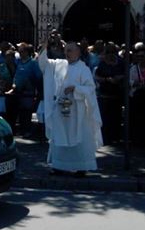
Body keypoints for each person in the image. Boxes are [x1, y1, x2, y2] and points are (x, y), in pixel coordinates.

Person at [38, 40, 102, 177]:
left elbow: (90, 88)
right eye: (66, 50)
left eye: (70, 50)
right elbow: (44, 65)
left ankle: (81, 166)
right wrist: (44, 48)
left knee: (79, 137)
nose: (67, 53)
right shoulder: (59, 64)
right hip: (61, 109)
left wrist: (76, 88)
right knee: (59, 136)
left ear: (78, 52)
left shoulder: (83, 69)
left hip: (77, 111)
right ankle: (59, 165)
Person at [6, 42, 42, 137]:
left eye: (22, 51)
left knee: (26, 111)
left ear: (26, 52)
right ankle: (20, 130)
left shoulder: (33, 63)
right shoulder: (19, 63)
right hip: (17, 91)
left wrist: (31, 83)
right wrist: (14, 84)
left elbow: (38, 77)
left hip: (27, 92)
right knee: (18, 111)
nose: (20, 53)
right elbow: (16, 75)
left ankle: (27, 130)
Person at [94, 43, 125, 144]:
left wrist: (118, 78)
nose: (110, 54)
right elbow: (97, 77)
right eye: (108, 52)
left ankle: (115, 137)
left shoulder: (121, 63)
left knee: (115, 117)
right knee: (105, 118)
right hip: (104, 95)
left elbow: (126, 74)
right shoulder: (102, 64)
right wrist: (107, 79)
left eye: (113, 52)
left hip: (117, 95)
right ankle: (105, 138)